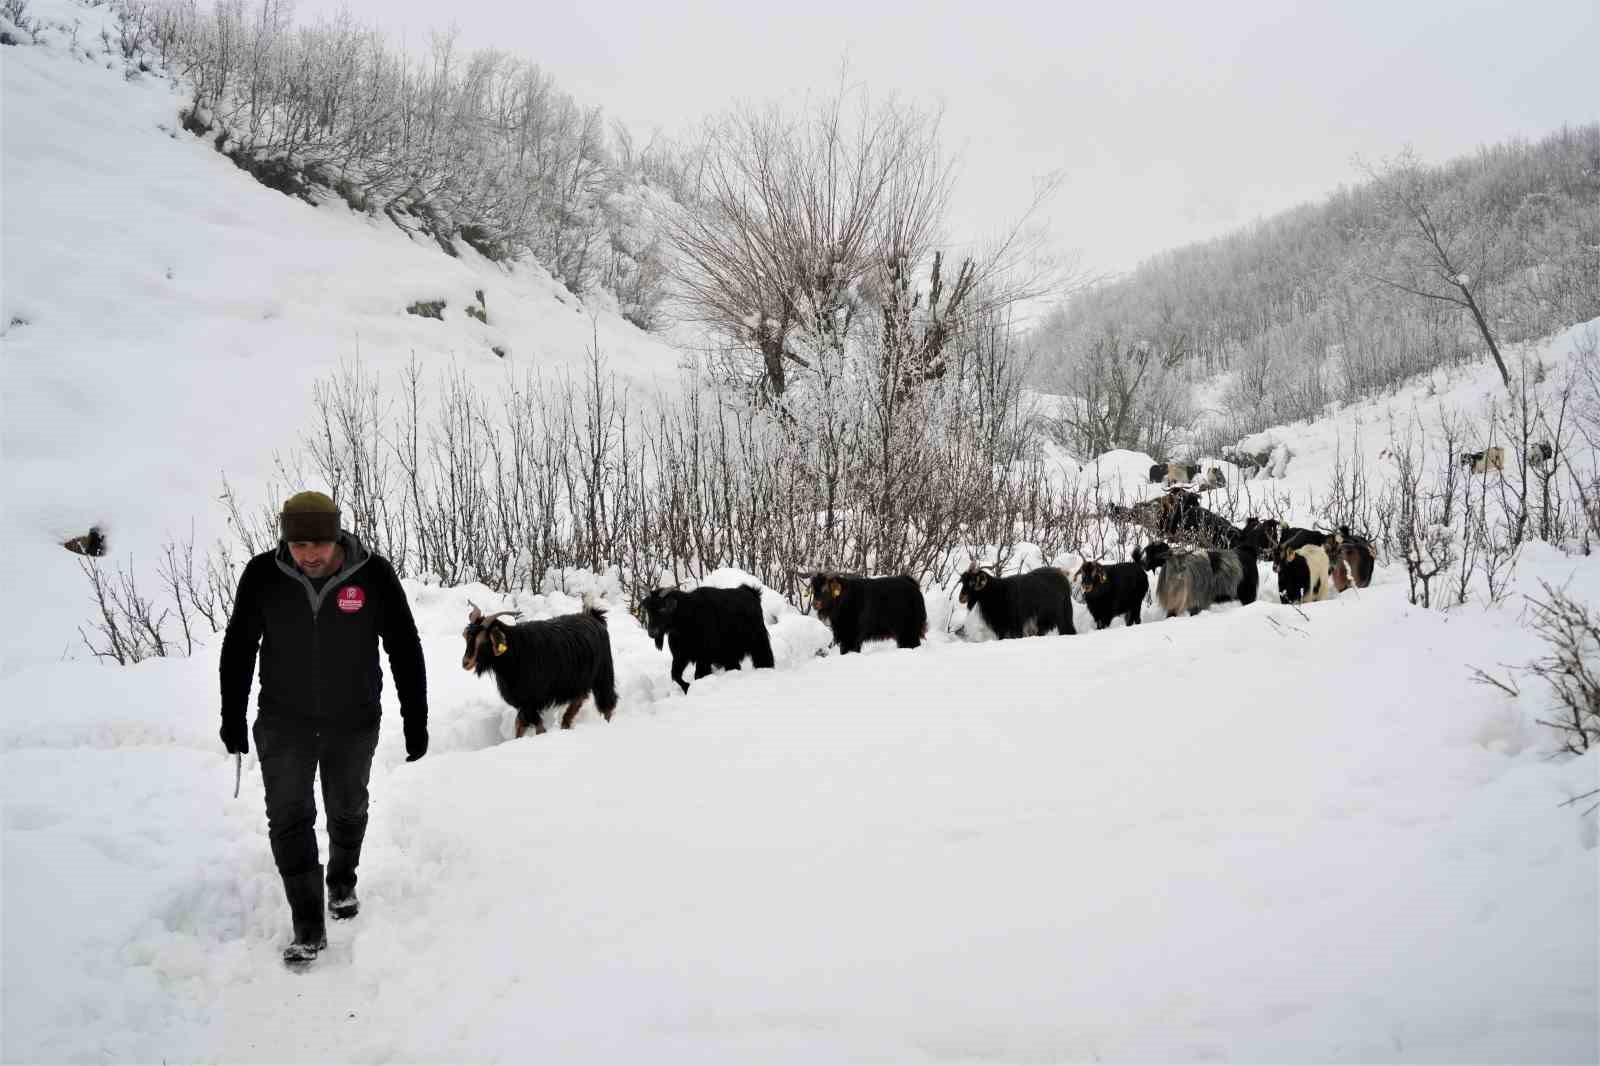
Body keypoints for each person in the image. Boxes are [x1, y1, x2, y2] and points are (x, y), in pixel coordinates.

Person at [219, 491, 428, 965]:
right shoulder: (262, 576)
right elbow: (238, 646)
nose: (310, 555)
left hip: (352, 720)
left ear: (337, 537)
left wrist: (415, 717)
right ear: (285, 541)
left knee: (347, 807)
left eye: (319, 544)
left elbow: (404, 645)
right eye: (299, 545)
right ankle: (308, 924)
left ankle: (342, 880)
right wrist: (231, 715)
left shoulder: (373, 575)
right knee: (289, 817)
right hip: (282, 721)